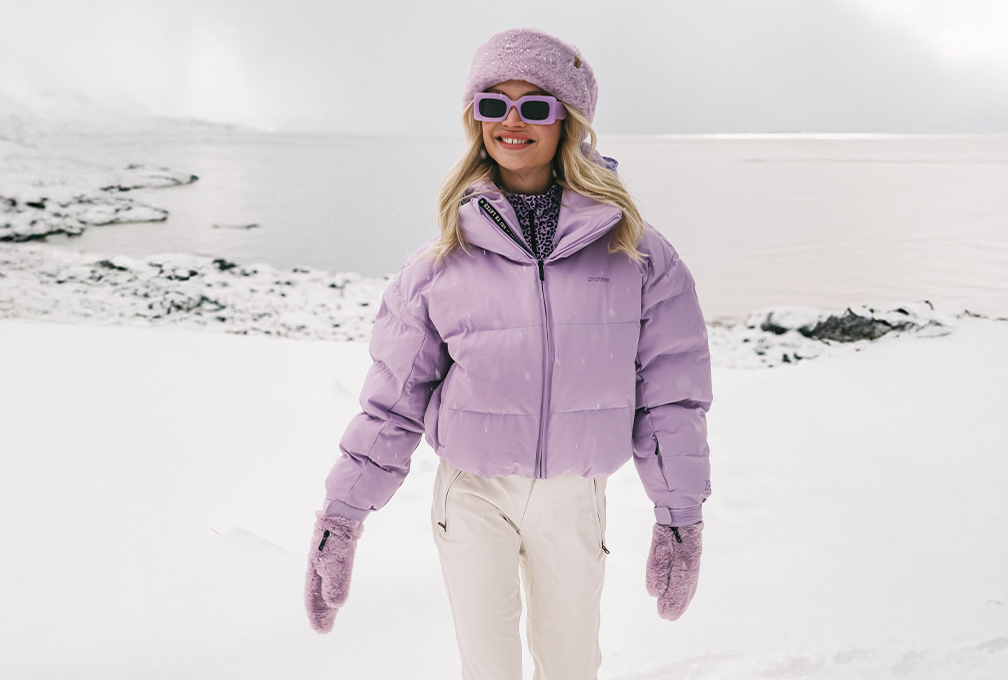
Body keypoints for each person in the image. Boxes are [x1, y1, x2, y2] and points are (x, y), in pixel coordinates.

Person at [304, 28, 712, 680]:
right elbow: (392, 402)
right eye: (493, 105)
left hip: (576, 496)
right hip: (473, 494)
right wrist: (342, 518)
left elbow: (672, 392)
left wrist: (680, 515)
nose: (511, 121)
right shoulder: (439, 262)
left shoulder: (637, 253)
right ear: (475, 120)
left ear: (569, 120)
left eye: (534, 105)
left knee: (573, 666)